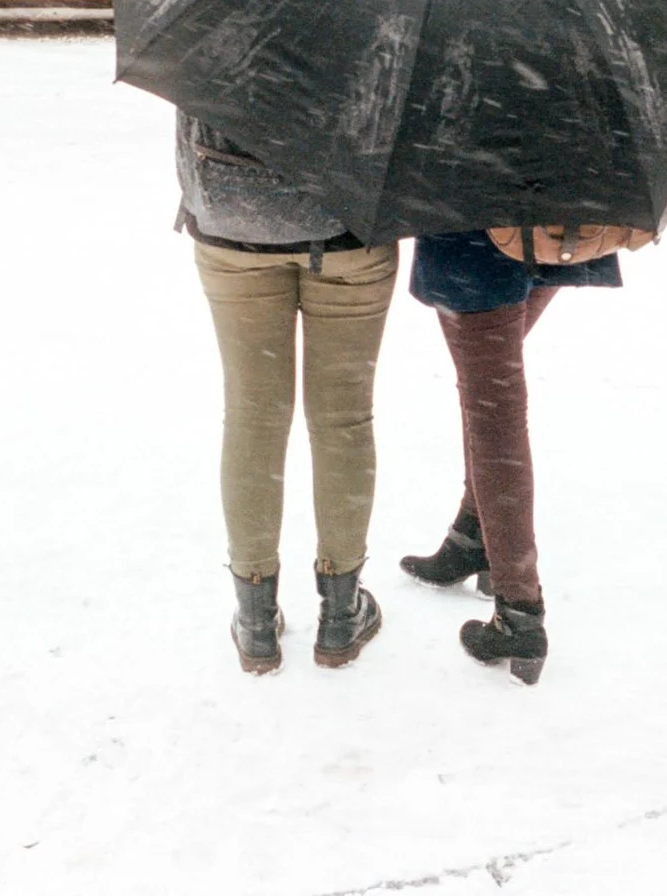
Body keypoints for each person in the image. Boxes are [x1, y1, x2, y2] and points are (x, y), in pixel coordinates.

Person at [178, 110, 396, 674]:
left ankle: (255, 623)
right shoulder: (379, 18)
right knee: (345, 419)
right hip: (350, 228)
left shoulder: (211, 20)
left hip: (234, 223)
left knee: (252, 417)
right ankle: (341, 616)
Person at [400, 232, 620, 684]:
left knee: (493, 409)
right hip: (550, 224)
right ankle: (473, 537)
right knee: (485, 390)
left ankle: (519, 613)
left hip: (476, 237)